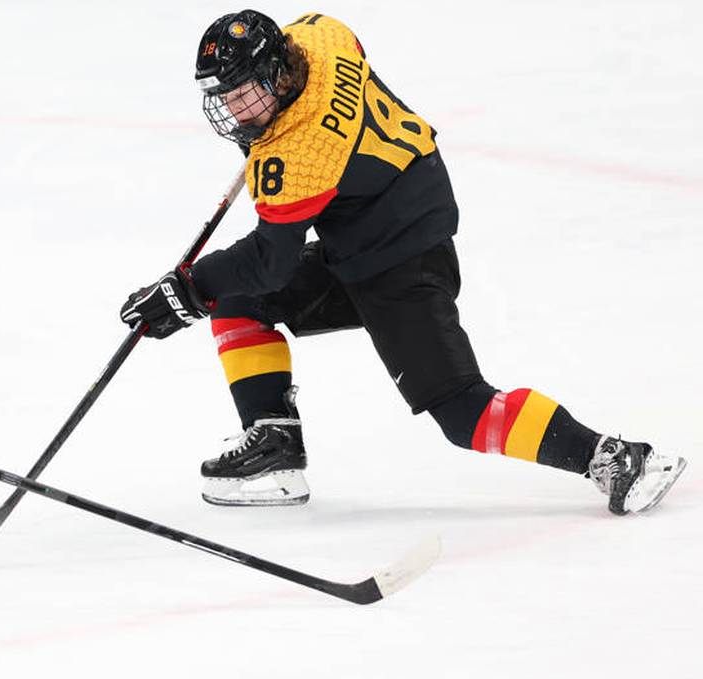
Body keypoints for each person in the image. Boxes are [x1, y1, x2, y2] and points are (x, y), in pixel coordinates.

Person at [119, 10, 686, 511]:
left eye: (244, 94)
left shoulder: (302, 153)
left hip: (401, 258)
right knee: (239, 302)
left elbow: (271, 260)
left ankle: (615, 459)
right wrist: (262, 139)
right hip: (394, 208)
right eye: (225, 97)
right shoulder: (321, 37)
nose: (233, 110)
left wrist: (186, 290)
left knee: (462, 412)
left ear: (274, 73)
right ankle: (275, 447)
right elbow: (336, 67)